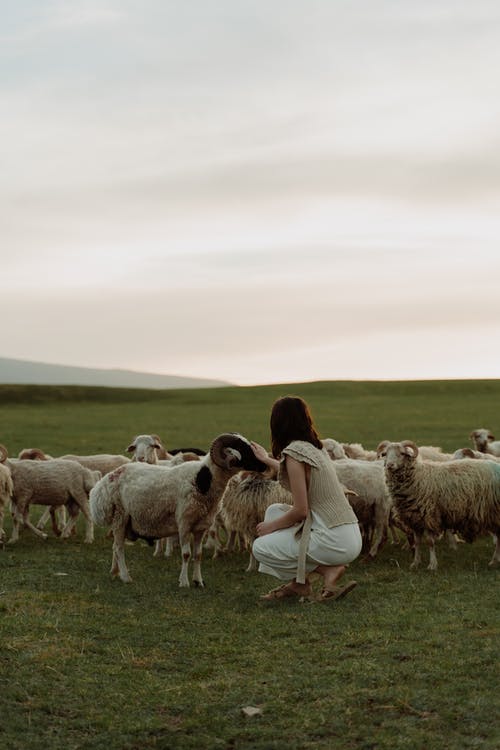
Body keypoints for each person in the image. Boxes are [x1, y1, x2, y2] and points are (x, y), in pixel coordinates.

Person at [250, 395, 362, 602]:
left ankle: (328, 570)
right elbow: (296, 475)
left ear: (278, 424)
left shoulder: (294, 454)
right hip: (349, 533)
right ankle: (299, 584)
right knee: (274, 510)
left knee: (260, 548)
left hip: (335, 540)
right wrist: (266, 460)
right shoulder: (315, 449)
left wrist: (271, 527)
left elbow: (301, 510)